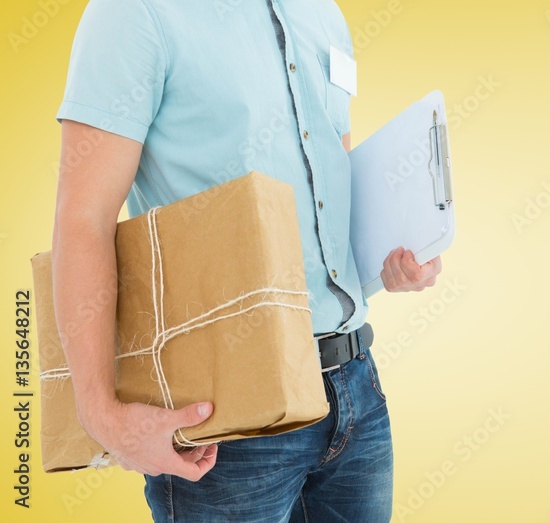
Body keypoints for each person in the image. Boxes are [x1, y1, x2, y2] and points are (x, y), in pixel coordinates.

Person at [50, 0, 442, 521]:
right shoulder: (135, 13)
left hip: (355, 388)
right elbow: (84, 218)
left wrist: (392, 257)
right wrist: (101, 415)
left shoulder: (321, 12)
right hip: (224, 413)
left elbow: (331, 181)